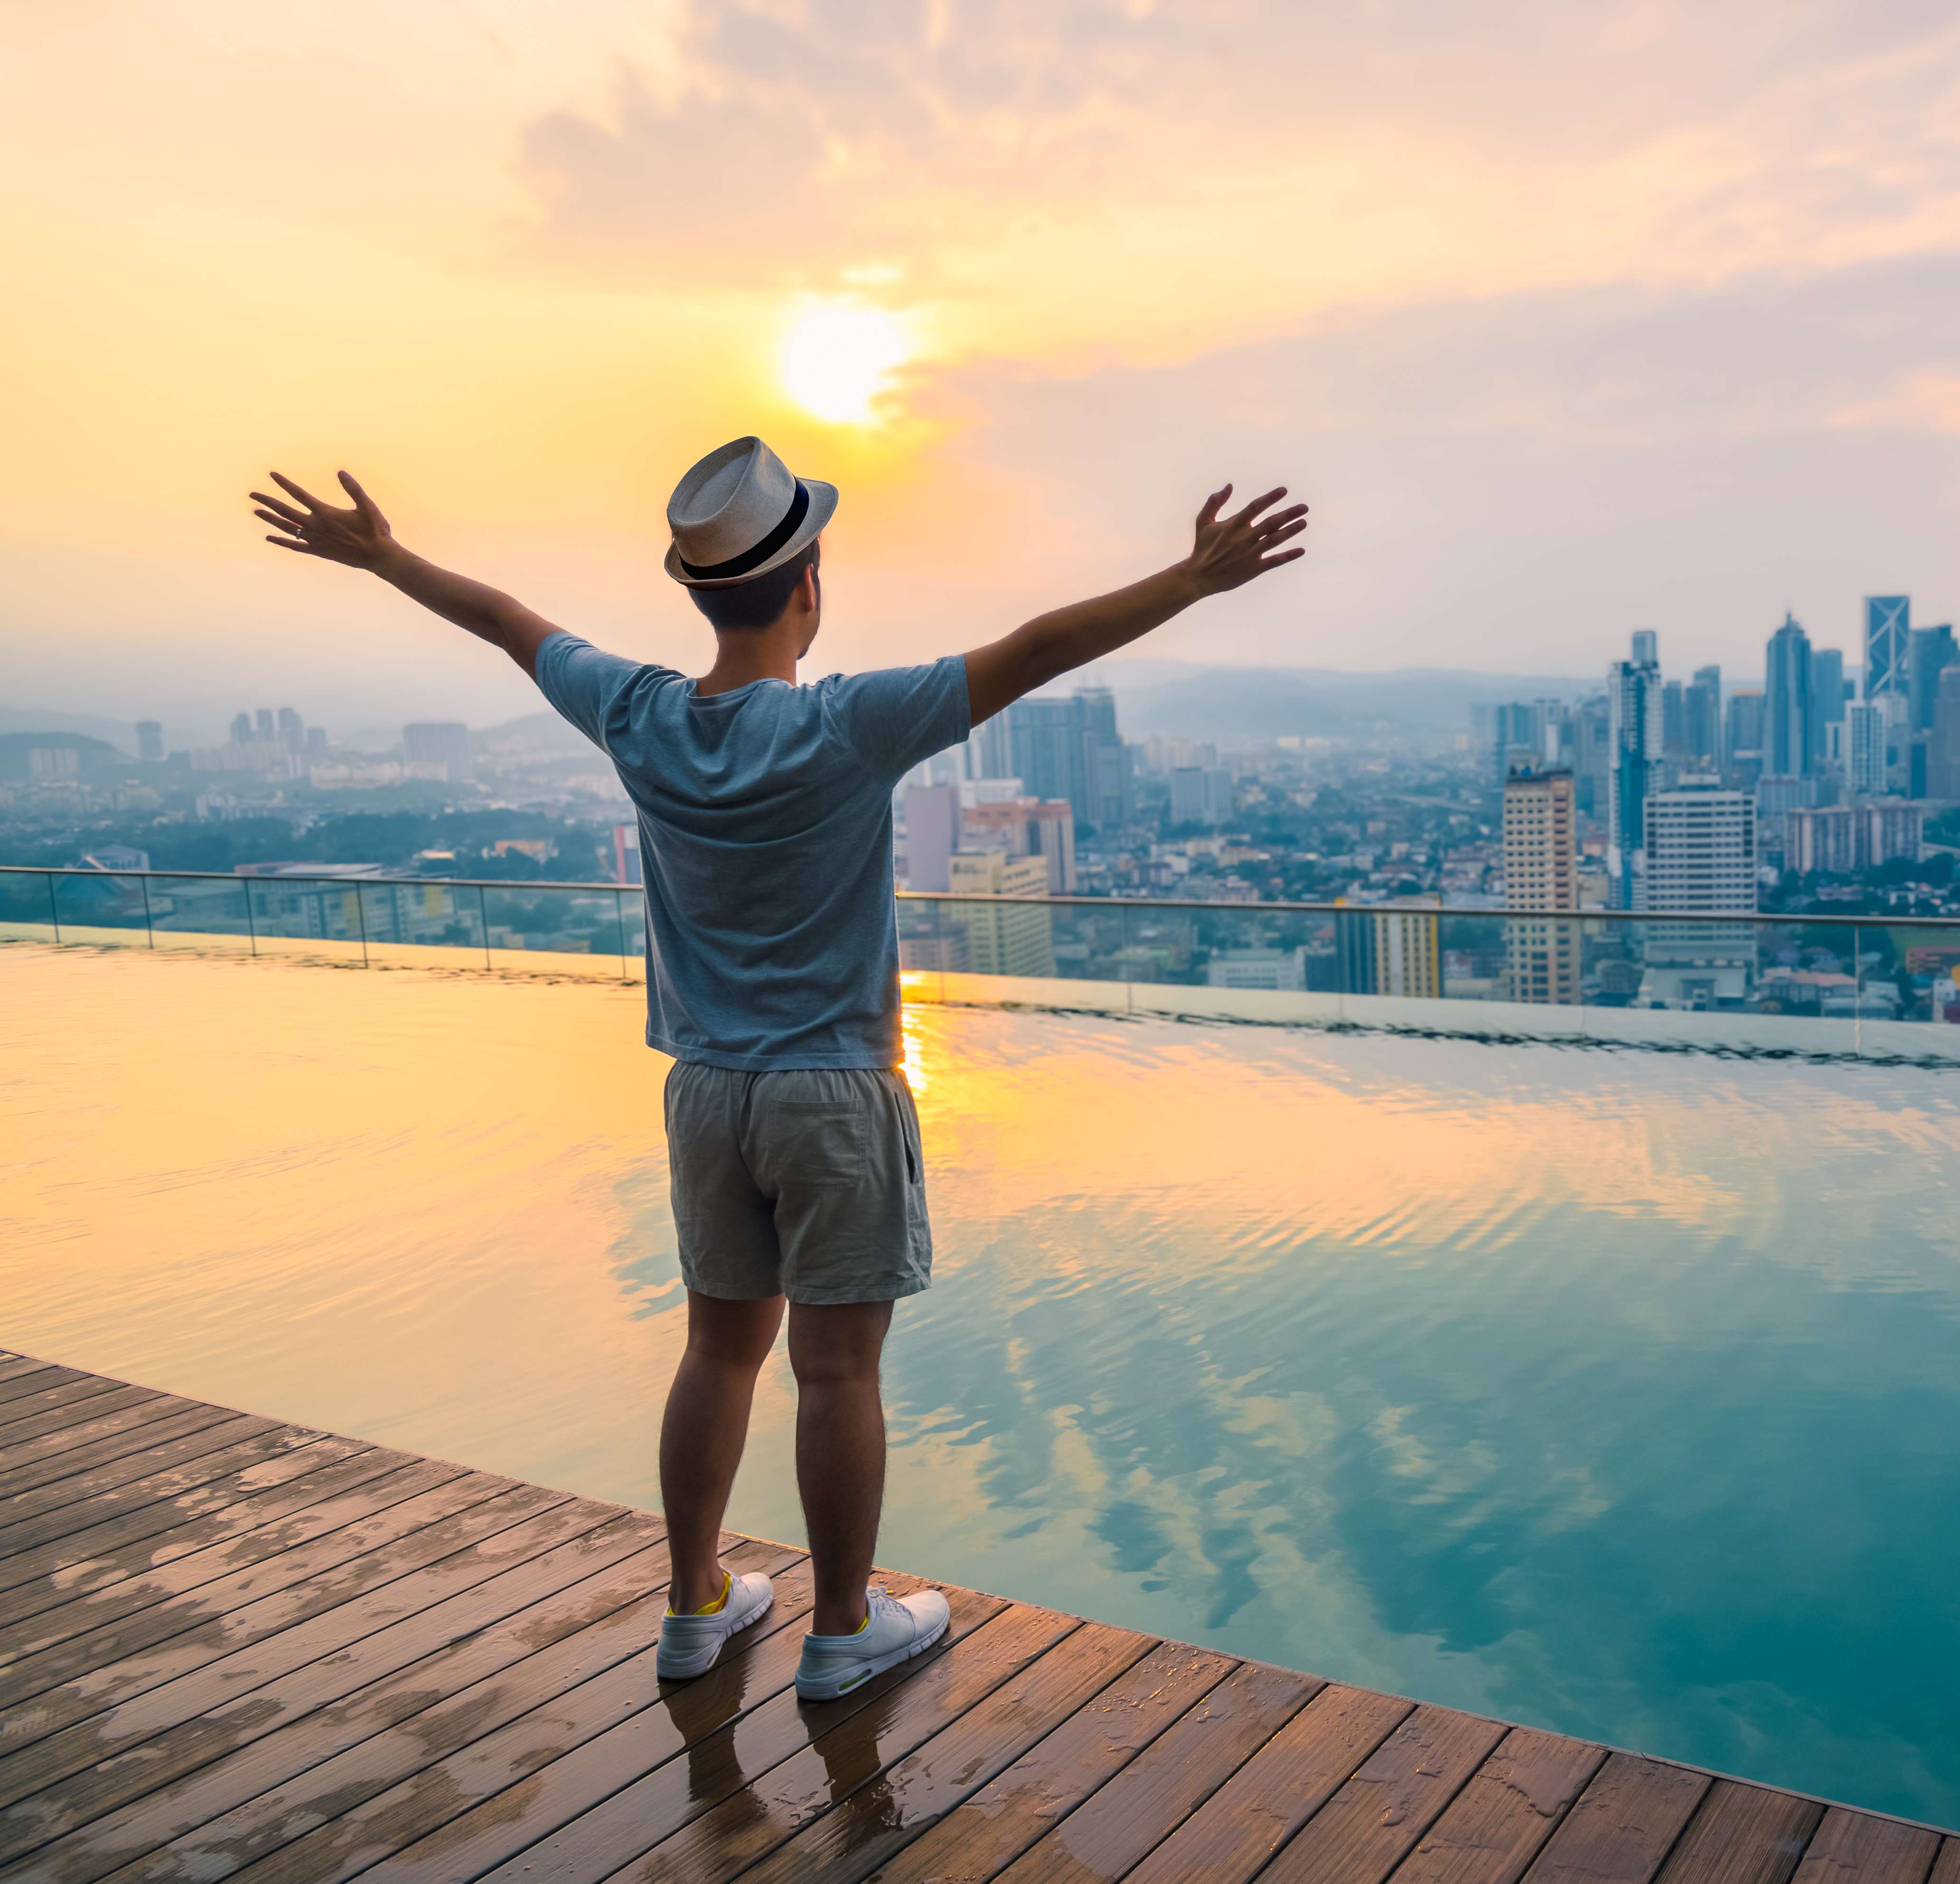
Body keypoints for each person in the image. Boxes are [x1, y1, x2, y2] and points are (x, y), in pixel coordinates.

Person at [251, 438, 1307, 1698]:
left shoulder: (637, 714)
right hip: (833, 1095)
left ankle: (697, 1605)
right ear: (810, 582)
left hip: (706, 1092)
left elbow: (501, 619)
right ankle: (843, 1627)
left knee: (717, 1354)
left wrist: (380, 557)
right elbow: (1034, 653)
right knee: (839, 1370)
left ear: (700, 593)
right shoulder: (847, 726)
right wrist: (1189, 580)